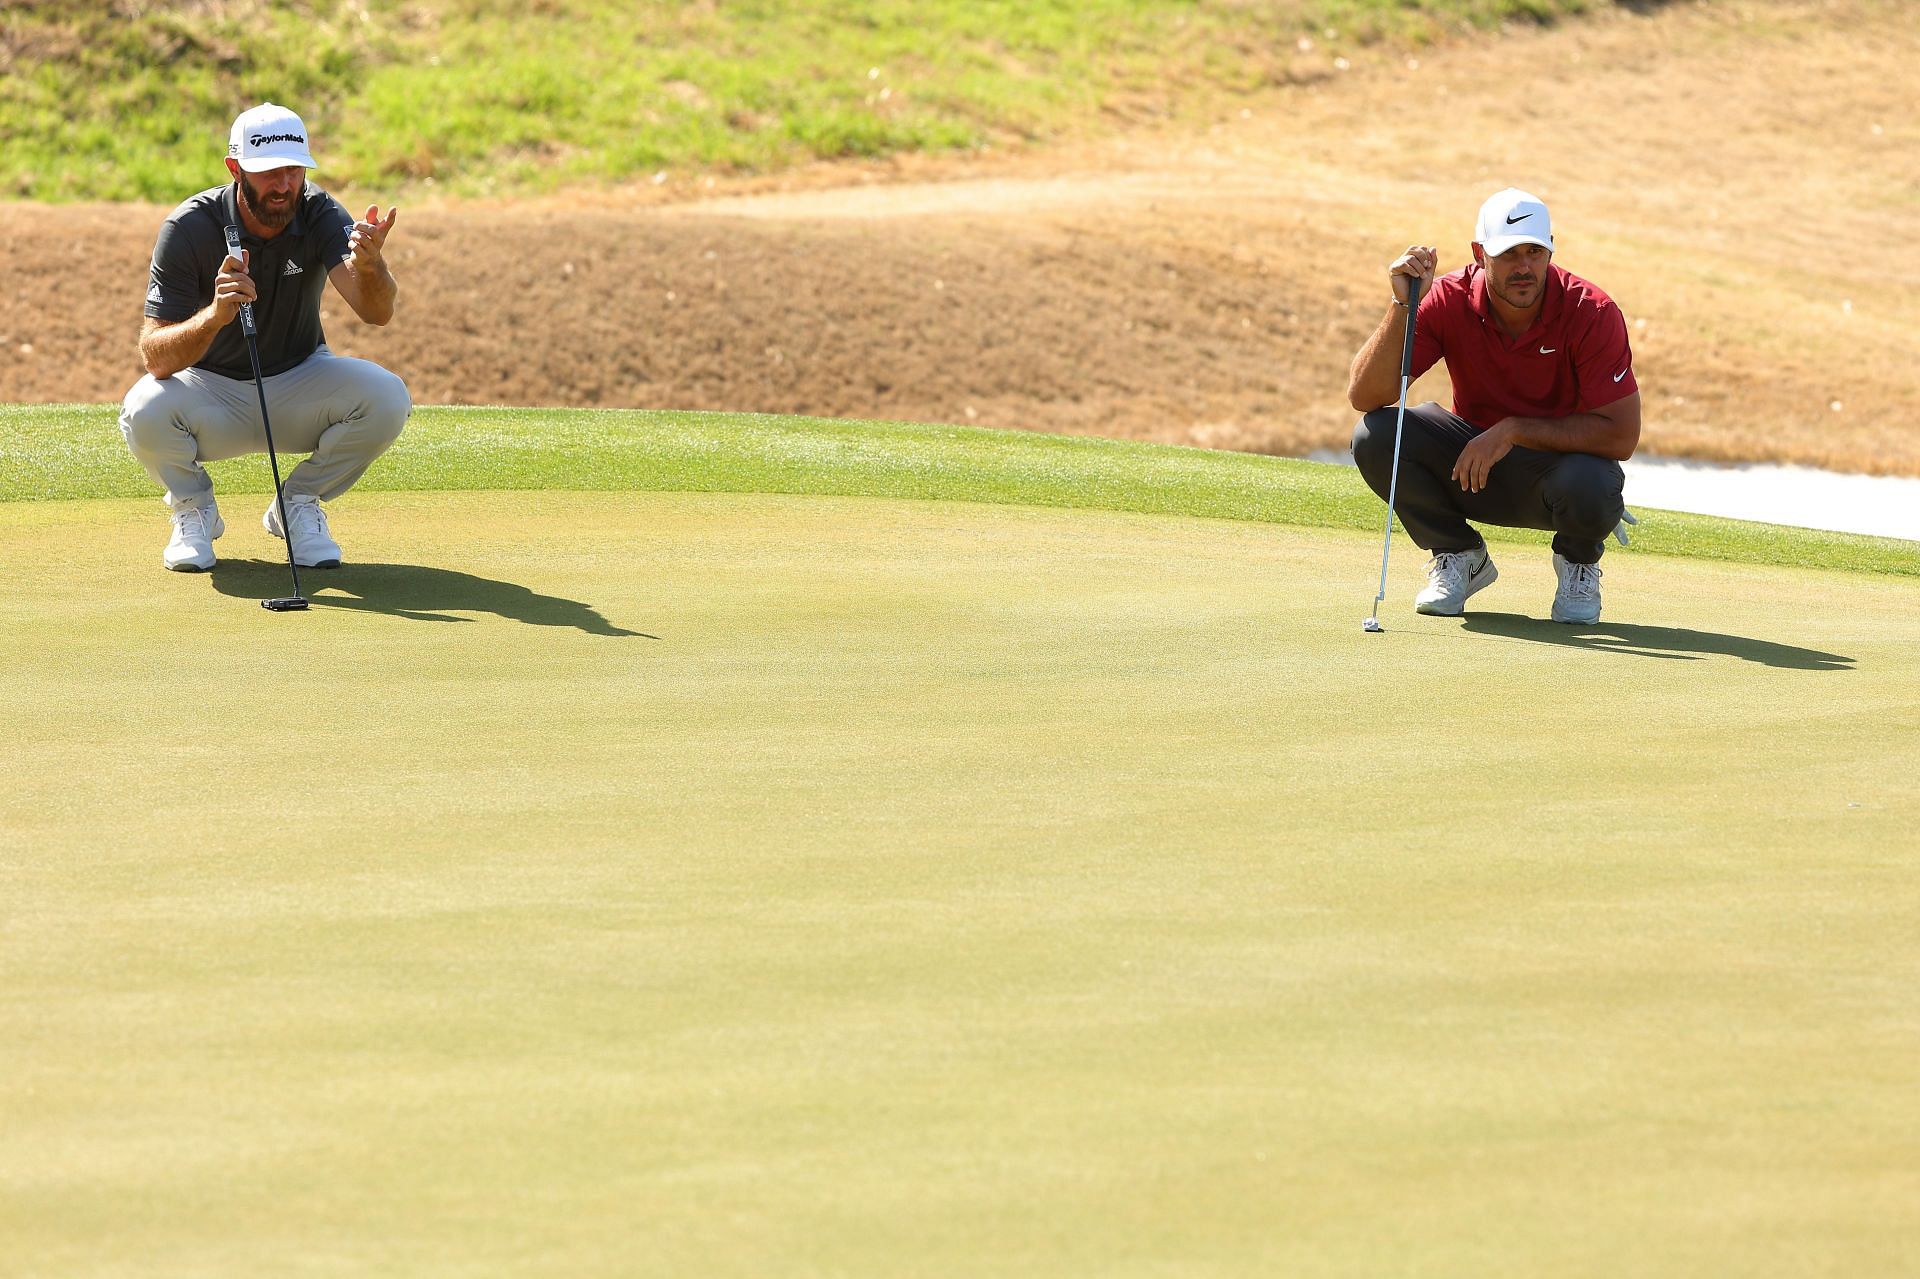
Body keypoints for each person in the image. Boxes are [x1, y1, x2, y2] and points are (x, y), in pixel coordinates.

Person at [120, 103, 410, 572]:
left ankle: (297, 503)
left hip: (299, 381)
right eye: (269, 172)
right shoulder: (188, 227)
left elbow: (376, 311)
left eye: (294, 170)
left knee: (387, 396)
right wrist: (214, 316)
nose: (284, 185)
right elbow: (155, 356)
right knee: (144, 408)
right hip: (210, 392)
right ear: (235, 169)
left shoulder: (319, 211)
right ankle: (194, 509)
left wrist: (373, 265)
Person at [1346, 188, 1639, 625]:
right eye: (1508, 254)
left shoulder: (1590, 311)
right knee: (1375, 435)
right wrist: (1403, 306)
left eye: (1535, 251)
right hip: (1472, 470)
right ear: (1480, 252)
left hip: (1558, 478)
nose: (1524, 267)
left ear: (1550, 249)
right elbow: (1366, 396)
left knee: (1594, 480)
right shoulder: (1449, 298)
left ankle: (1579, 564)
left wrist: (1513, 430)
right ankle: (1459, 555)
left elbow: (1621, 435)